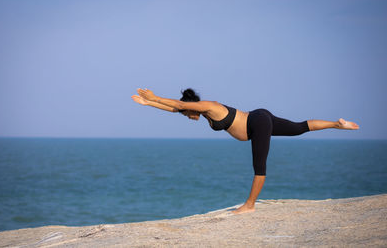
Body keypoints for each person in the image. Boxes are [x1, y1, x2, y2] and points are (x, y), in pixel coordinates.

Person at [131, 88, 359, 214]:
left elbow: (179, 106)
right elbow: (175, 108)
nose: (188, 118)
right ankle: (337, 124)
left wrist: (155, 97)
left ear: (192, 107)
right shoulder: (204, 113)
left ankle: (250, 205)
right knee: (299, 128)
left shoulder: (208, 106)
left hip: (257, 123)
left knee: (259, 167)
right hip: (259, 116)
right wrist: (148, 104)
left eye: (187, 113)